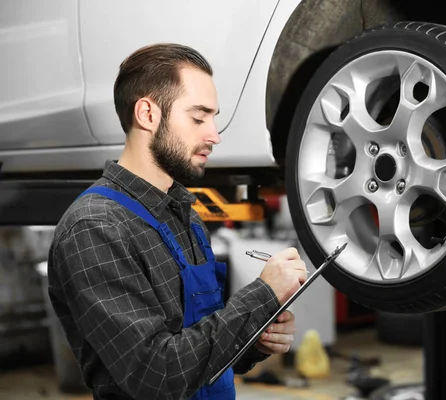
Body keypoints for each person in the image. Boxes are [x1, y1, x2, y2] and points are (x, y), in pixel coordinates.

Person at [47, 43, 308, 400]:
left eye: (213, 119)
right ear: (148, 115)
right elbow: (157, 374)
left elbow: (196, 349)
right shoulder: (95, 228)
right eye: (198, 118)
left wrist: (255, 339)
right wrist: (261, 295)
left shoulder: (186, 214)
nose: (214, 134)